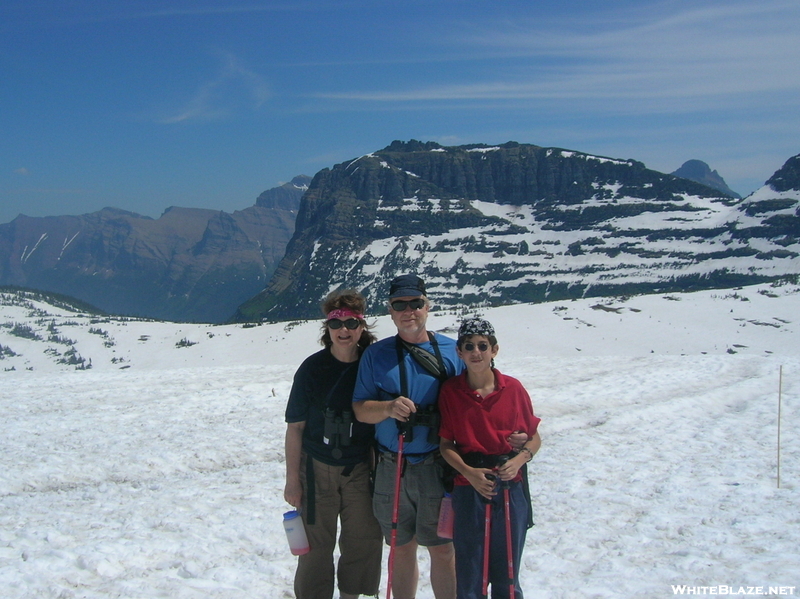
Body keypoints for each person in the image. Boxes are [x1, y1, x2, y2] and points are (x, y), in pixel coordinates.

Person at [352, 274, 463, 599]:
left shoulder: (452, 351)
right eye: (400, 304)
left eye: (415, 303)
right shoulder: (376, 355)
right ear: (390, 310)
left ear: (427, 306)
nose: (408, 310)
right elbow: (360, 409)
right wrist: (387, 408)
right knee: (400, 547)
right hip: (391, 466)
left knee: (442, 548)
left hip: (436, 465)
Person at [284, 290, 383, 599]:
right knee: (315, 545)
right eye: (336, 323)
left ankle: (352, 595)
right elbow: (295, 428)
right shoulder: (312, 369)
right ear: (326, 328)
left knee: (363, 540)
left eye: (352, 323)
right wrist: (292, 481)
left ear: (362, 327)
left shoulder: (372, 367)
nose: (344, 330)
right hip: (315, 470)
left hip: (360, 469)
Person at [438, 317, 541, 599]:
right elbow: (446, 444)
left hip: (511, 486)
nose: (476, 352)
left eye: (483, 346)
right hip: (468, 487)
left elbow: (534, 436)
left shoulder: (513, 389)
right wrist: (470, 473)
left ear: (494, 350)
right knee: (471, 571)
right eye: (469, 346)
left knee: (507, 571)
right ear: (459, 352)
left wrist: (519, 460)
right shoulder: (451, 392)